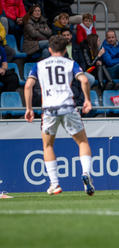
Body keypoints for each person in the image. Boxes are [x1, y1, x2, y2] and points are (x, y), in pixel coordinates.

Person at [24, 35, 94, 196]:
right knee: (82, 142)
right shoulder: (71, 63)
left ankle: (55, 184)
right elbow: (84, 80)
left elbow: (28, 85)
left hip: (49, 110)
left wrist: (28, 108)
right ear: (65, 50)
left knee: (48, 146)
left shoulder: (40, 65)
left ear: (49, 49)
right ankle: (86, 173)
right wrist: (87, 100)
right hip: (68, 107)